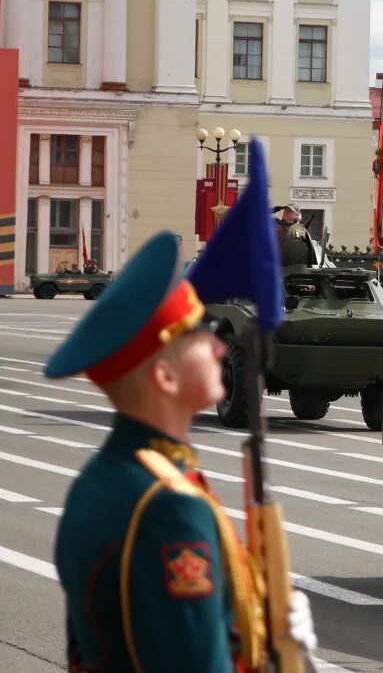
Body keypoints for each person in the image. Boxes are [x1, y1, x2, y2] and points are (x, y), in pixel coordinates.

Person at [44, 232, 315, 672]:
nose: (219, 346)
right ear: (166, 376)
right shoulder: (168, 506)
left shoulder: (100, 480)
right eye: (197, 336)